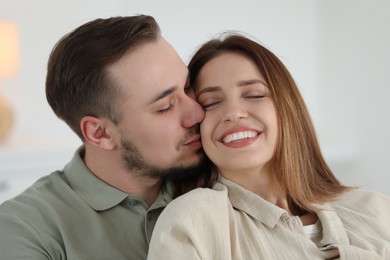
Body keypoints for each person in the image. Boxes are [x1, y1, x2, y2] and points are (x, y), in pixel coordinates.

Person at [148, 33, 390, 259]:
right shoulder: (191, 220)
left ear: (288, 108)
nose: (233, 113)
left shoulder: (376, 210)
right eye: (210, 102)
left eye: (254, 94)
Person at [0, 15, 212, 259]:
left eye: (187, 87)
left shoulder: (218, 179)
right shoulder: (23, 229)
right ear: (99, 133)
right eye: (165, 106)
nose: (197, 113)